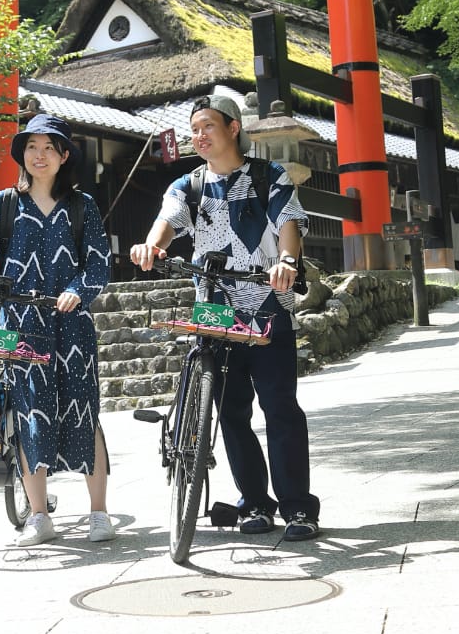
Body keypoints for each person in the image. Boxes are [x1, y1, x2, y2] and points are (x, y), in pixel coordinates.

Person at [127, 94, 321, 541]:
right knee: (229, 411)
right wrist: (152, 245)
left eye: (208, 127)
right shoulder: (189, 184)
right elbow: (167, 220)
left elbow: (288, 221)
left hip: (269, 301)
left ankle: (297, 508)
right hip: (213, 303)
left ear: (233, 128)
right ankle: (253, 502)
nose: (199, 136)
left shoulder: (268, 176)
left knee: (279, 409)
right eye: (194, 129)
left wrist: (287, 260)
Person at [0, 113, 115, 546]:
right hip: (17, 322)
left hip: (72, 325)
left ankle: (99, 512)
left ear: (64, 155)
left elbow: (99, 263)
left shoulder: (81, 206)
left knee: (83, 412)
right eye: (32, 147)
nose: (40, 155)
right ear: (22, 155)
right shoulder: (4, 205)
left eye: (49, 147)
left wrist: (77, 290)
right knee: (29, 411)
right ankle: (37, 515)